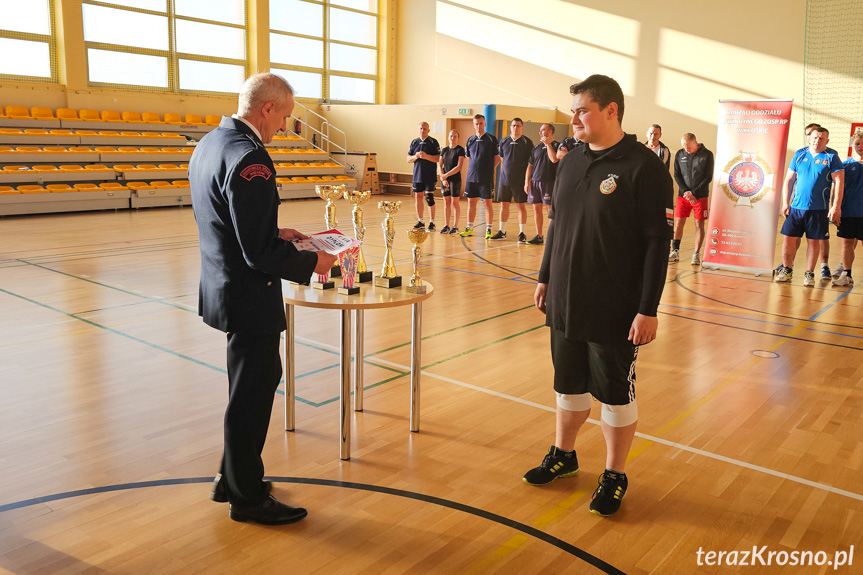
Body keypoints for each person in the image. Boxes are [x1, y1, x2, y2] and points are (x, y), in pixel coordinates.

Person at [190, 73, 337, 525]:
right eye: (285, 118)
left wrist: (277, 232)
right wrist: (314, 263)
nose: (284, 128)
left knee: (246, 387)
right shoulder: (251, 158)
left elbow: (227, 219)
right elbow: (256, 252)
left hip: (223, 287)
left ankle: (231, 478)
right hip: (249, 296)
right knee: (252, 393)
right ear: (267, 109)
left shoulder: (210, 144)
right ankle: (248, 498)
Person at [525, 74, 673, 517]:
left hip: (615, 308)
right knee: (567, 384)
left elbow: (656, 244)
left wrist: (648, 309)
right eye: (572, 111)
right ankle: (564, 454)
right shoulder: (569, 161)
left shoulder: (643, 167)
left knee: (614, 394)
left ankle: (614, 473)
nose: (573, 120)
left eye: (582, 110)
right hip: (566, 299)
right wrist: (545, 276)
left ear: (611, 110)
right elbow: (556, 224)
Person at [775, 126, 844, 286]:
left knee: (813, 241)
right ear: (809, 138)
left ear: (827, 140)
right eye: (814, 137)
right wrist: (786, 202)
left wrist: (836, 206)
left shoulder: (832, 156)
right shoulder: (799, 154)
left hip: (818, 209)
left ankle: (809, 273)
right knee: (788, 239)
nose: (817, 140)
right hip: (796, 208)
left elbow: (839, 181)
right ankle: (787, 269)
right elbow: (789, 180)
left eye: (821, 138)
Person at [670, 133, 714, 266]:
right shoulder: (679, 154)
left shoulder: (707, 154)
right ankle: (675, 251)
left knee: (699, 224)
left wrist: (694, 193)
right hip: (683, 196)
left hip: (700, 196)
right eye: (684, 147)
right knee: (678, 223)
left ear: (696, 143)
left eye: (689, 147)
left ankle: (696, 254)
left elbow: (708, 177)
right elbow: (677, 174)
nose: (686, 150)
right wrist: (686, 192)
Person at [491, 118, 533, 240]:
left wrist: (527, 181)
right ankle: (502, 232)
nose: (516, 128)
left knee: (521, 205)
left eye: (518, 126)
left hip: (519, 180)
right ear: (510, 127)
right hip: (504, 180)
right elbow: (503, 160)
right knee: (504, 205)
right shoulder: (504, 141)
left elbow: (530, 163)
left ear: (522, 128)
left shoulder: (527, 142)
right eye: (514, 125)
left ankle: (522, 233)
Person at [460, 114, 501, 238]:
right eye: (476, 123)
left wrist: (489, 169)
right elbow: (469, 158)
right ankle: (469, 227)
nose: (478, 126)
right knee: (471, 202)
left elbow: (497, 158)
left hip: (486, 178)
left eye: (481, 123)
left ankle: (488, 229)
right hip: (471, 177)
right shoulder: (470, 140)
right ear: (474, 125)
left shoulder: (491, 139)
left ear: (485, 124)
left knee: (487, 203)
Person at [832, 132, 863, 286]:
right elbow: (836, 189)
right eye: (857, 144)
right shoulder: (844, 166)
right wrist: (834, 208)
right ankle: (847, 275)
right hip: (849, 213)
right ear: (852, 145)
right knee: (847, 244)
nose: (861, 147)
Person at [523, 123, 559, 244]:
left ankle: (551, 238)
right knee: (536, 209)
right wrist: (526, 182)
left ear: (550, 132)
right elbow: (530, 166)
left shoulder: (557, 145)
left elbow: (554, 159)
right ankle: (539, 236)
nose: (540, 132)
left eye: (543, 130)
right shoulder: (536, 147)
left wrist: (548, 144)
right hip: (535, 182)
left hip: (549, 181)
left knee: (550, 209)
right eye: (540, 130)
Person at [407, 121, 441, 231]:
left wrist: (426, 157)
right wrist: (415, 157)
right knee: (418, 197)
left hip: (429, 175)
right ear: (418, 129)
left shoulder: (433, 142)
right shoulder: (414, 142)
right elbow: (408, 159)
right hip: (418, 175)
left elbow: (438, 159)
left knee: (429, 198)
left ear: (428, 130)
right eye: (421, 128)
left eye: (425, 129)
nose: (423, 130)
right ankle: (420, 221)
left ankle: (432, 222)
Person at [439, 129, 465, 235]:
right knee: (446, 202)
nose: (452, 138)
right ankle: (446, 225)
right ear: (448, 137)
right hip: (445, 180)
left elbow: (459, 167)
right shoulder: (444, 150)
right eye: (451, 136)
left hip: (455, 180)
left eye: (454, 136)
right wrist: (443, 178)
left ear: (458, 138)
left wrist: (447, 175)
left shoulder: (460, 150)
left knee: (455, 203)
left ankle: (455, 226)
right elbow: (440, 165)